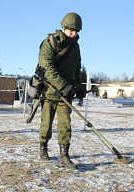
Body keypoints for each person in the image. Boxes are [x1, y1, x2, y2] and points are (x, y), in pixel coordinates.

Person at [38, 12, 86, 169]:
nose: (74, 33)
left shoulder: (75, 47)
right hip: (49, 92)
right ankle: (43, 147)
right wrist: (64, 86)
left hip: (66, 95)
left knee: (65, 124)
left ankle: (64, 156)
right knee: (46, 123)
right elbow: (47, 68)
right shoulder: (50, 43)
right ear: (63, 27)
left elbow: (77, 69)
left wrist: (78, 87)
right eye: (71, 30)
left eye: (76, 31)